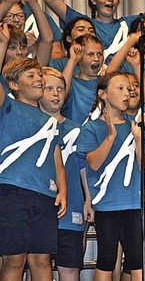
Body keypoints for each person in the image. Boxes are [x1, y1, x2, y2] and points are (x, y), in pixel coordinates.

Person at [0, 57, 66, 281]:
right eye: (31, 76)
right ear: (13, 85)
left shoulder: (51, 121)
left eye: (39, 75)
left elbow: (56, 158)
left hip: (46, 196)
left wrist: (63, 191)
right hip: (12, 192)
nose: (38, 79)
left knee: (42, 259)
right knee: (14, 259)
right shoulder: (7, 107)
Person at [76, 72, 144, 281]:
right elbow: (93, 163)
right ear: (103, 94)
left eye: (129, 88)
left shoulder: (137, 125)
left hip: (134, 202)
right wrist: (111, 135)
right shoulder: (92, 127)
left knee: (137, 259)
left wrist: (139, 139)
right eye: (120, 88)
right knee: (106, 258)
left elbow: (144, 166)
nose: (127, 93)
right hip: (107, 203)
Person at [39, 67, 92, 281]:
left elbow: (84, 168)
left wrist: (89, 199)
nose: (55, 93)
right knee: (37, 264)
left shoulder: (77, 129)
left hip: (72, 209)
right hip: (38, 209)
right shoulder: (31, 124)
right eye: (49, 88)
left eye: (60, 89)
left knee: (69, 268)